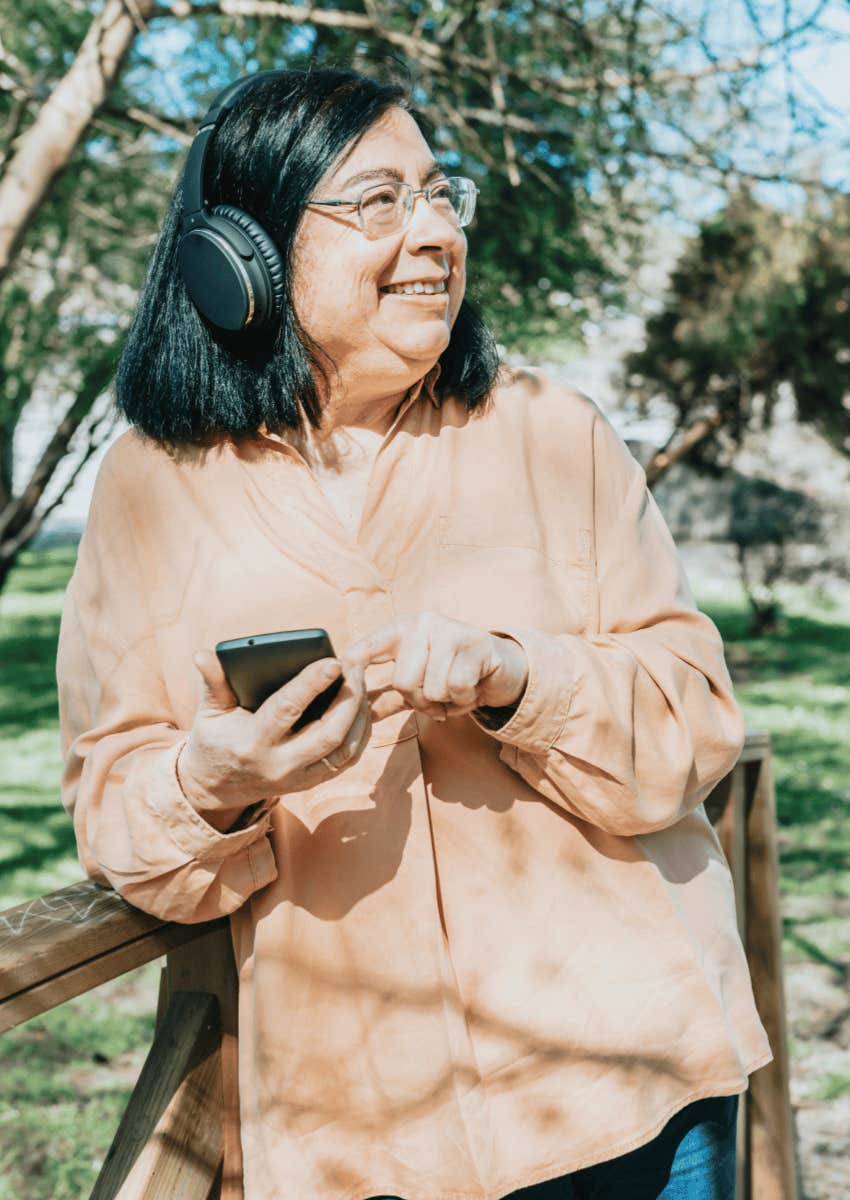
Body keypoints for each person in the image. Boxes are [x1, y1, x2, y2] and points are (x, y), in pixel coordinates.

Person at [56, 65, 773, 1200]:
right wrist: (209, 780)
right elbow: (117, 807)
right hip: (359, 1132)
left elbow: (694, 721)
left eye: (443, 195)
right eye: (379, 202)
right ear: (238, 255)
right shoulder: (150, 488)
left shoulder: (553, 434)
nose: (434, 230)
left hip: (635, 1085)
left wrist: (515, 679)